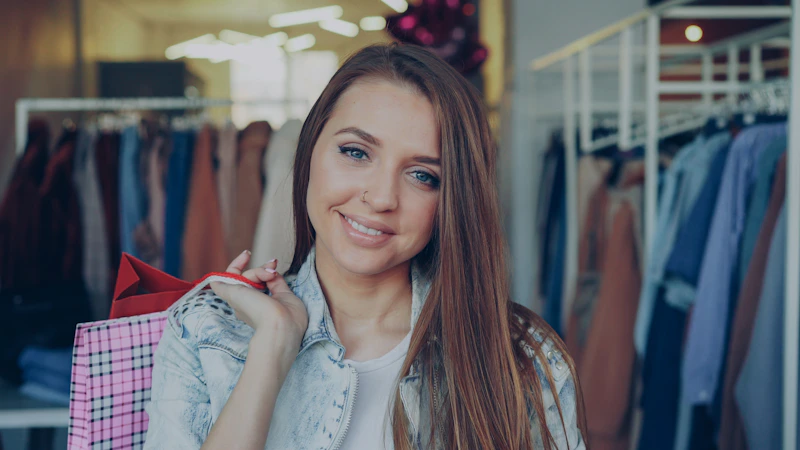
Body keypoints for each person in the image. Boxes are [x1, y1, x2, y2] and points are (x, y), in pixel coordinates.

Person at [144, 43, 586, 450]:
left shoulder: (521, 357)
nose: (381, 198)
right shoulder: (206, 332)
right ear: (310, 151)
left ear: (453, 201)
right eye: (356, 152)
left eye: (422, 175)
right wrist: (273, 346)